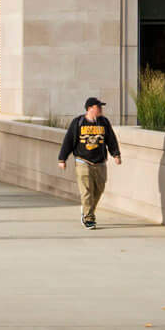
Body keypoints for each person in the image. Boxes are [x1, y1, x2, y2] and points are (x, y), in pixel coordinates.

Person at [57, 95, 121, 229]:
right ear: (90, 108)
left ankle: (87, 209)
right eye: (98, 107)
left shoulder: (104, 122)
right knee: (86, 191)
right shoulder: (78, 122)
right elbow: (68, 141)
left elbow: (111, 139)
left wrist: (116, 154)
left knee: (99, 189)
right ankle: (88, 217)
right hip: (83, 161)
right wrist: (62, 158)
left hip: (100, 161)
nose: (101, 109)